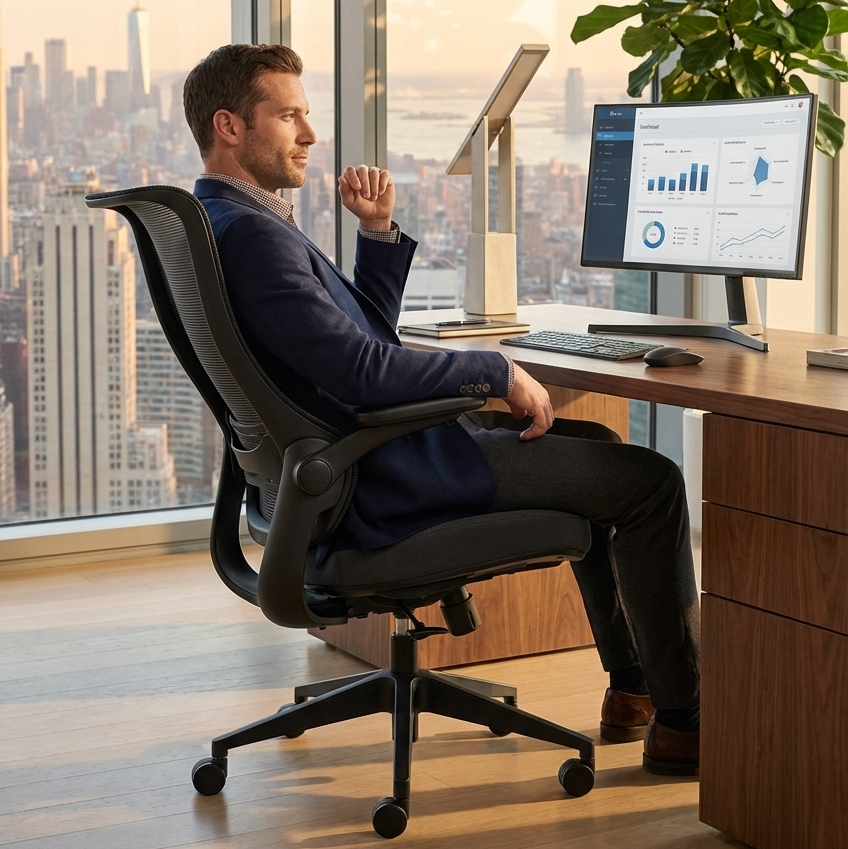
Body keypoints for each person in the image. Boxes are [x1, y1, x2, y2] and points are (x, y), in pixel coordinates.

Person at [183, 43, 701, 776]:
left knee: (589, 443)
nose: (309, 133)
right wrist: (495, 368)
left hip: (349, 466)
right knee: (650, 481)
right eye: (289, 115)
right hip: (387, 479)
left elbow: (354, 348)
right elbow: (364, 372)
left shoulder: (228, 222)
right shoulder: (255, 238)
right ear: (229, 126)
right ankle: (687, 721)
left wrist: (375, 235)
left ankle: (634, 689)